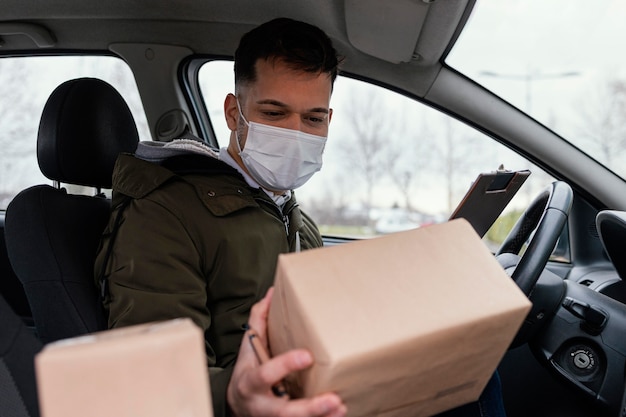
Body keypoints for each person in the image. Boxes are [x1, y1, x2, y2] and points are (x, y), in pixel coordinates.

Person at [95, 17, 505, 417]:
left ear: (329, 120)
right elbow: (154, 382)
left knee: (468, 363)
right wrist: (236, 395)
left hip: (317, 389)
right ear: (235, 114)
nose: (296, 133)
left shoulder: (296, 219)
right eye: (274, 113)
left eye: (312, 118)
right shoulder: (165, 213)